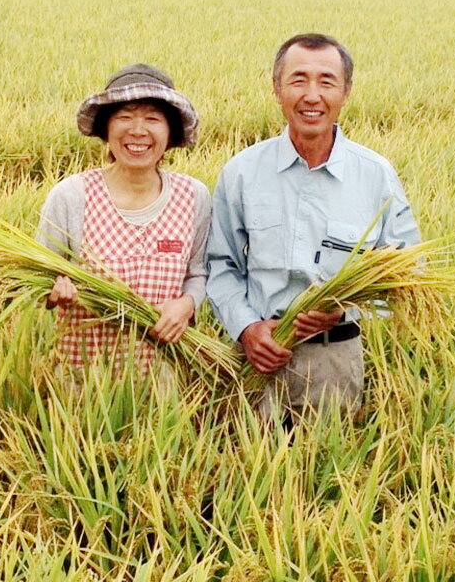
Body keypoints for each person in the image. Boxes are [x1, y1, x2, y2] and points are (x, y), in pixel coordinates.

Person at [206, 33, 420, 421]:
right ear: (277, 88)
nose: (312, 95)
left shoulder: (375, 176)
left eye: (326, 81)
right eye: (298, 79)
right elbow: (220, 265)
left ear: (346, 91)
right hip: (255, 359)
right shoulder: (242, 172)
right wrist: (248, 329)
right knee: (242, 468)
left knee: (322, 470)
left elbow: (408, 276)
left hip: (333, 362)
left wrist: (345, 310)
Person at [37, 64, 211, 372]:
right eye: (125, 117)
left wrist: (187, 305)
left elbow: (198, 274)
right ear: (106, 129)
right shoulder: (71, 196)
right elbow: (39, 280)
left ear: (171, 133)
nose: (138, 131)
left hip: (163, 377)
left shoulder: (194, 196)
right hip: (80, 380)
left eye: (153, 119)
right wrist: (54, 291)